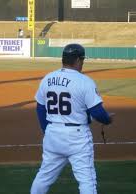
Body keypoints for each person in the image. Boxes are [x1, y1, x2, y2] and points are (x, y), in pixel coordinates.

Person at [30, 43, 114, 194]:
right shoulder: (84, 81)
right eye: (82, 59)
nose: (82, 62)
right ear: (77, 60)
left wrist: (46, 129)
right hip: (77, 137)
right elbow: (97, 111)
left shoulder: (48, 78)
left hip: (53, 134)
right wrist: (107, 120)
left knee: (44, 177)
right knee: (87, 180)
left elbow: (40, 107)